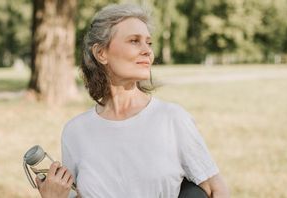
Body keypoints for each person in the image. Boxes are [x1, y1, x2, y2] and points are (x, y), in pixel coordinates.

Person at [36, 4, 230, 198]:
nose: (147, 51)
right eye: (134, 41)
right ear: (101, 53)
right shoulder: (75, 132)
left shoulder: (172, 119)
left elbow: (216, 189)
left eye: (149, 43)